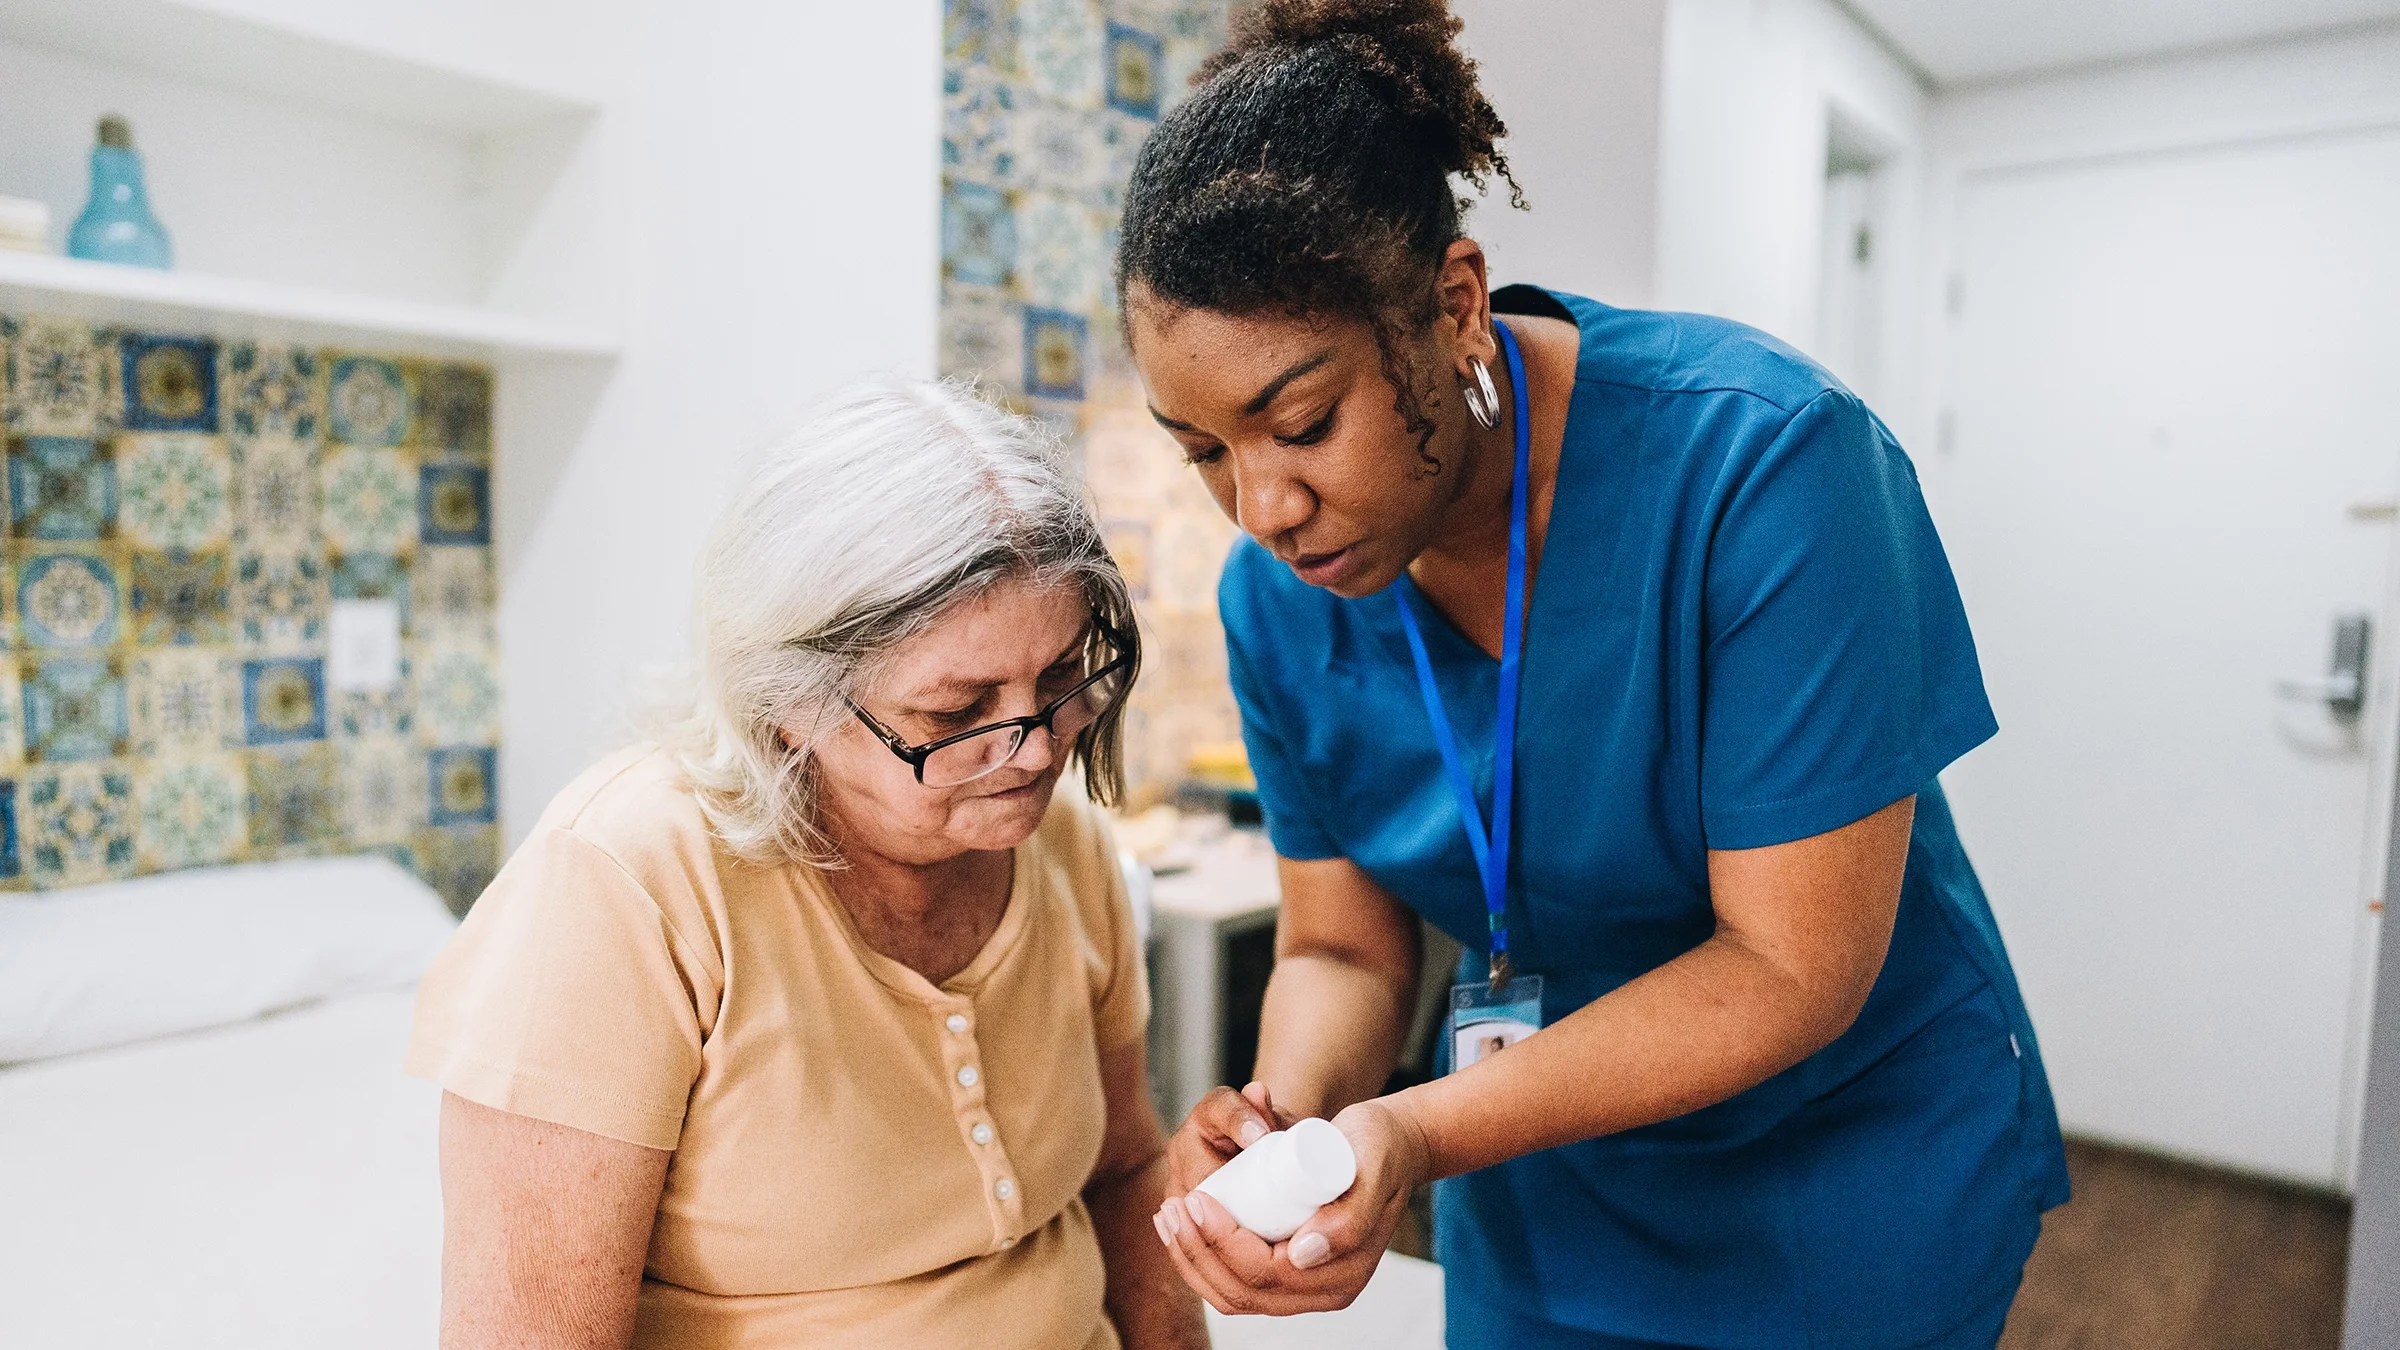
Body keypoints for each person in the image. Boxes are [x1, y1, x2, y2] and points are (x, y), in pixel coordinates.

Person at [1113, 3, 2070, 1347]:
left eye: (1302, 422)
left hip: (1843, 1187)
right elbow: (1341, 944)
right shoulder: (1280, 601)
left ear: (1453, 306)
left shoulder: (1769, 471)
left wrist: (1407, 1131)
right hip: (1539, 1183)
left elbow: (1790, 967)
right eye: (1202, 450)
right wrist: (1294, 1125)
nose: (1261, 505)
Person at [405, 381, 1207, 1350]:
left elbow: (1123, 1174)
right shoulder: (628, 883)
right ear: (792, 699)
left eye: (1061, 678)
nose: (1037, 752)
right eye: (956, 713)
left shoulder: (1063, 840)